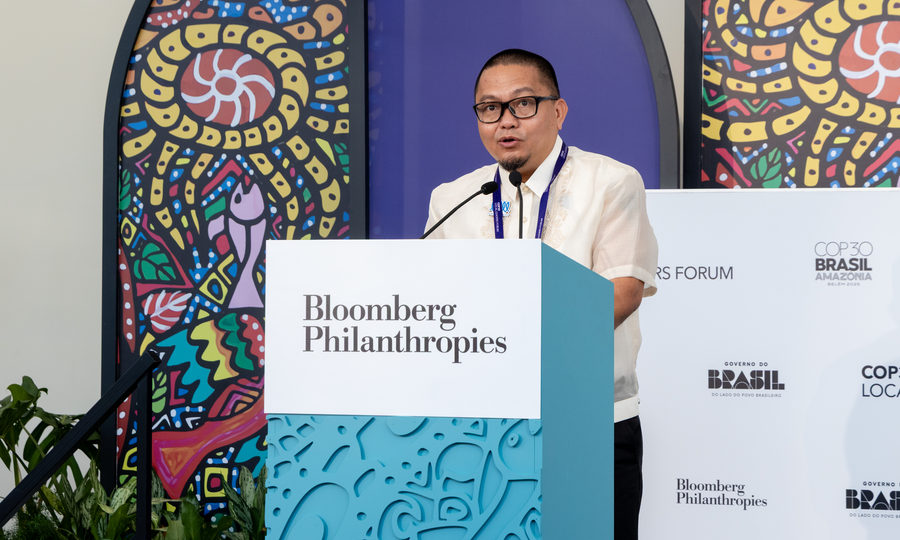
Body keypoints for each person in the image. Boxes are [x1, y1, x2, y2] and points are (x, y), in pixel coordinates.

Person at [424, 49, 658, 540]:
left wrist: (523, 341)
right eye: (489, 108)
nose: (505, 121)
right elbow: (434, 302)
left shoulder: (611, 182)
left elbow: (623, 291)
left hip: (590, 421)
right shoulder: (454, 199)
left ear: (558, 110)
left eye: (523, 104)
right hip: (481, 427)